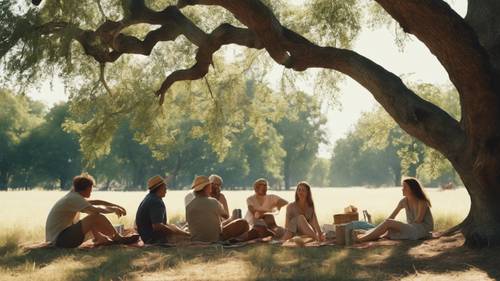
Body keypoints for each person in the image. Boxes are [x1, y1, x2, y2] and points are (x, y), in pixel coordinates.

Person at [45, 173, 139, 248]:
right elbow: (95, 210)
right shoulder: (74, 198)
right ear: (86, 189)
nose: (91, 192)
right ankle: (118, 238)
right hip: (60, 240)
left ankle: (101, 239)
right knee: (95, 217)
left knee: (92, 218)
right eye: (90, 189)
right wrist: (113, 209)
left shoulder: (74, 196)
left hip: (59, 238)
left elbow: (95, 202)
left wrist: (115, 206)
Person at [355, 177, 434, 243]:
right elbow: (392, 216)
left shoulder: (422, 201)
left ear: (412, 189)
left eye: (405, 187)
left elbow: (418, 221)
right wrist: (390, 225)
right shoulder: (403, 201)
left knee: (389, 225)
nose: (402, 189)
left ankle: (361, 239)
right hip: (412, 228)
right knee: (388, 228)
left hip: (421, 230)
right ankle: (367, 233)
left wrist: (397, 226)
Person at [186, 175, 249, 242]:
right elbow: (226, 216)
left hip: (196, 239)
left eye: (218, 185)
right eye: (213, 185)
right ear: (208, 187)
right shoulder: (213, 202)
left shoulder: (189, 205)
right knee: (243, 223)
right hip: (215, 238)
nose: (216, 187)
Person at [135, 175, 190, 244]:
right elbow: (157, 226)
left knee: (173, 227)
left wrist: (174, 229)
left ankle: (187, 234)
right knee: (183, 239)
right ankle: (188, 235)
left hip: (145, 236)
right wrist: (172, 232)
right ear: (160, 188)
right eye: (165, 187)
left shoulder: (150, 198)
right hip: (151, 239)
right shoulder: (156, 202)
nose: (166, 189)